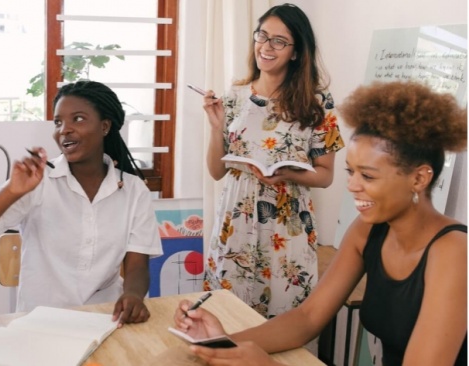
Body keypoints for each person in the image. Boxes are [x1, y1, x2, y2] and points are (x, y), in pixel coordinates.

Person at [174, 80, 467, 366]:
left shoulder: (454, 251)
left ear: (419, 178)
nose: (352, 185)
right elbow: (307, 318)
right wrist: (223, 341)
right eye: (351, 172)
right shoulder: (367, 231)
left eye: (367, 176)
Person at [0, 80, 163, 326]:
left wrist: (133, 295)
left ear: (105, 126)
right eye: (58, 122)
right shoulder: (39, 181)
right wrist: (11, 191)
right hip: (40, 323)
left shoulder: (133, 190)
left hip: (106, 319)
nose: (64, 129)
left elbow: (137, 264)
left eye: (78, 119)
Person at [201, 3, 344, 319]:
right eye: (262, 36)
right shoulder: (234, 95)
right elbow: (215, 171)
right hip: (234, 226)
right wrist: (215, 127)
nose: (266, 47)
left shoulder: (318, 102)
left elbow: (325, 176)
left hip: (287, 231)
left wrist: (287, 174)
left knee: (284, 325)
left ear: (295, 52)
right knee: (225, 322)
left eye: (279, 41)